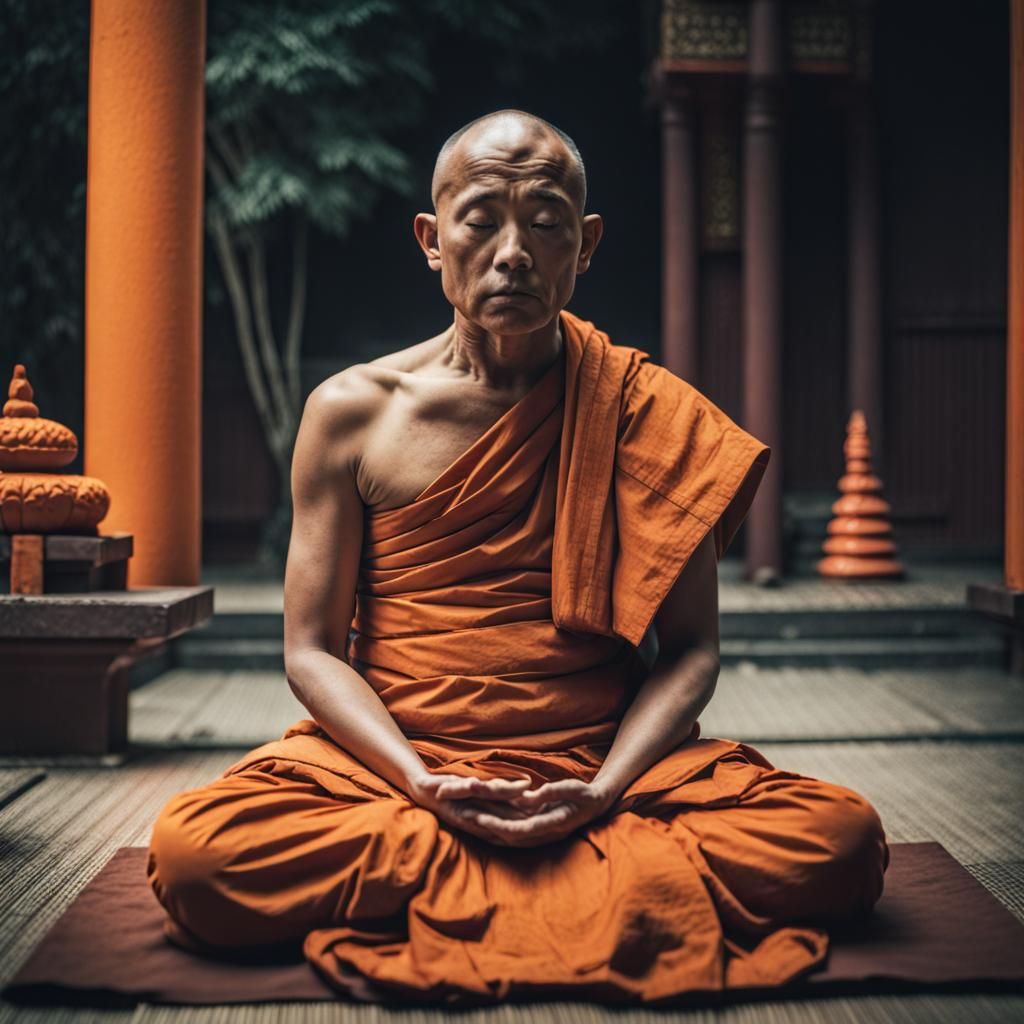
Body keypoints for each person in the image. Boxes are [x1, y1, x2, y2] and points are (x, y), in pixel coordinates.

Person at [147, 109, 889, 1005]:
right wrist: (421, 781)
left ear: (587, 245)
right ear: (431, 238)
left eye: (545, 223)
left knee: (838, 838)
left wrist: (605, 791)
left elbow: (692, 649)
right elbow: (309, 649)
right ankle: (580, 874)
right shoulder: (352, 413)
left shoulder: (643, 411)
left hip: (597, 764)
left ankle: (516, 857)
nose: (513, 253)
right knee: (198, 856)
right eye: (481, 220)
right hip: (398, 761)